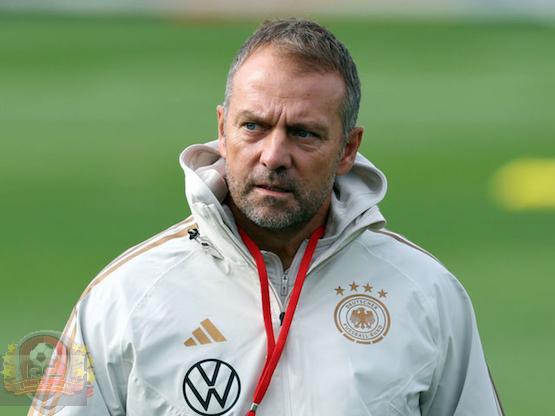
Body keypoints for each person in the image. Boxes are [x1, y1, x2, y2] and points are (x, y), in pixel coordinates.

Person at [29, 18, 504, 416]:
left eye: (303, 133)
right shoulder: (124, 297)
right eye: (254, 126)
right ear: (222, 129)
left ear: (348, 148)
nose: (273, 156)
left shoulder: (427, 293)